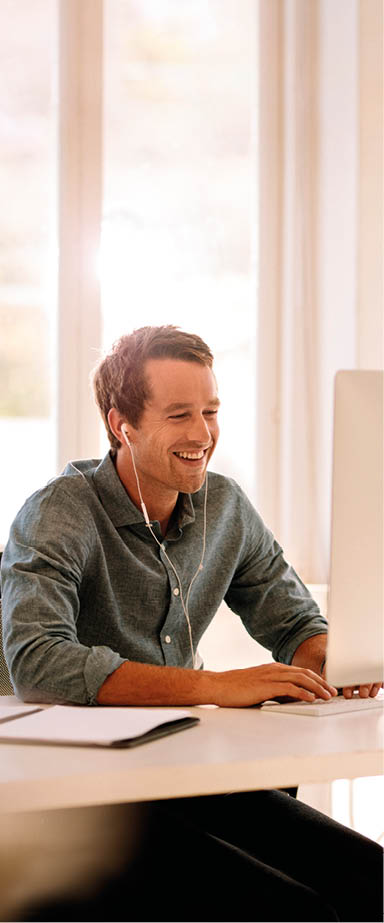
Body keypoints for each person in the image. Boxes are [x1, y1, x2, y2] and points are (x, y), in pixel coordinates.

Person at [1, 326, 382, 922]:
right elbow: (38, 664)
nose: (203, 434)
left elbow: (295, 625)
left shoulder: (225, 506)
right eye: (179, 414)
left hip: (179, 767)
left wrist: (338, 658)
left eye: (210, 411)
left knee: (369, 882)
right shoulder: (58, 512)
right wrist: (215, 687)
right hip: (77, 799)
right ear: (120, 423)